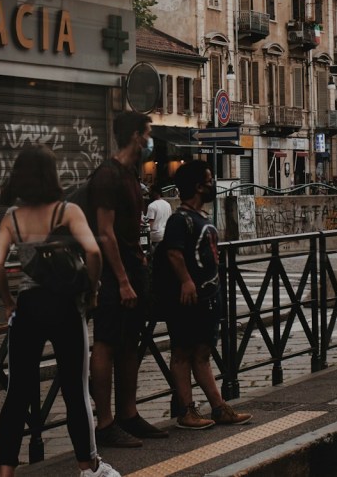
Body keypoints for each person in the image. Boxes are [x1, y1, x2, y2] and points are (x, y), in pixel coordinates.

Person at [0, 144, 118, 477]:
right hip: (65, 308)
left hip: (28, 308)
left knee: (18, 393)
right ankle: (88, 466)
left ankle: (5, 473)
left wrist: (8, 303)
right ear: (52, 174)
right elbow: (93, 252)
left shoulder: (12, 218)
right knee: (75, 388)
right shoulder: (68, 211)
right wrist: (92, 290)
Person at [153, 160, 252, 430]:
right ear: (198, 187)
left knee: (202, 354)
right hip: (187, 299)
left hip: (207, 297)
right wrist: (186, 280)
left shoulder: (200, 217)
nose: (213, 184)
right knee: (183, 352)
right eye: (209, 180)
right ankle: (187, 411)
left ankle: (219, 408)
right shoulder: (179, 219)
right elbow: (173, 252)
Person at [89, 111, 166, 448]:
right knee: (106, 342)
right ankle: (105, 423)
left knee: (129, 342)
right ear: (136, 135)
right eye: (148, 133)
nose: (151, 139)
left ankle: (129, 414)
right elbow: (104, 233)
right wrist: (121, 279)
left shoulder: (131, 175)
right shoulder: (107, 176)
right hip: (112, 274)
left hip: (132, 268)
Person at [145, 184, 172, 251]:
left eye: (150, 191)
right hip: (165, 235)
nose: (149, 193)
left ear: (155, 192)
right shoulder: (168, 205)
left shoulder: (152, 206)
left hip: (155, 236)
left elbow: (150, 226)